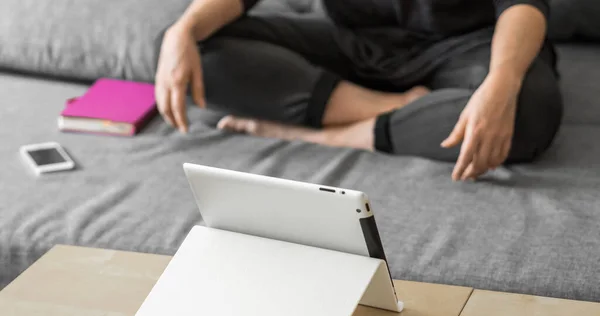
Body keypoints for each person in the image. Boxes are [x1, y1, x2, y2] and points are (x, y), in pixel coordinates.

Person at [155, 0, 563, 181]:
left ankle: (323, 133)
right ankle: (396, 108)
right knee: (194, 52)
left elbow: (523, 6)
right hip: (355, 47)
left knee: (527, 111)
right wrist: (183, 29)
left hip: (467, 48)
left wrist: (501, 84)